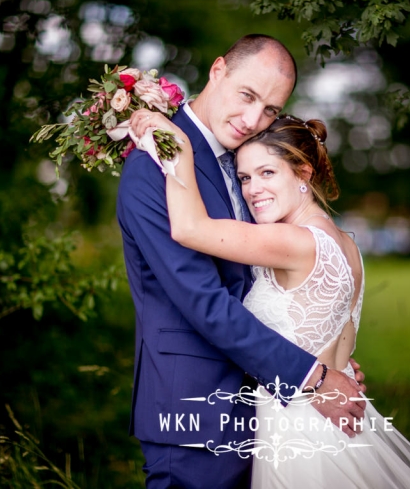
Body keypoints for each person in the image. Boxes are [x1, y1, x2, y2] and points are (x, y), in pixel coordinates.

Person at [131, 110, 410, 488]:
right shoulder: (347, 244)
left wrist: (175, 144)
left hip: (299, 429)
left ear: (304, 174)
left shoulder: (293, 242)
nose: (253, 189)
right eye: (244, 177)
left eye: (267, 173)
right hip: (339, 420)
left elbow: (191, 228)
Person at [117, 34, 366, 489]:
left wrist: (328, 362)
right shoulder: (157, 162)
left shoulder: (242, 161)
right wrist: (312, 375)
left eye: (270, 110)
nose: (254, 119)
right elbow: (204, 301)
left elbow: (264, 287)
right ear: (217, 71)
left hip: (263, 408)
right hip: (193, 409)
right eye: (247, 96)